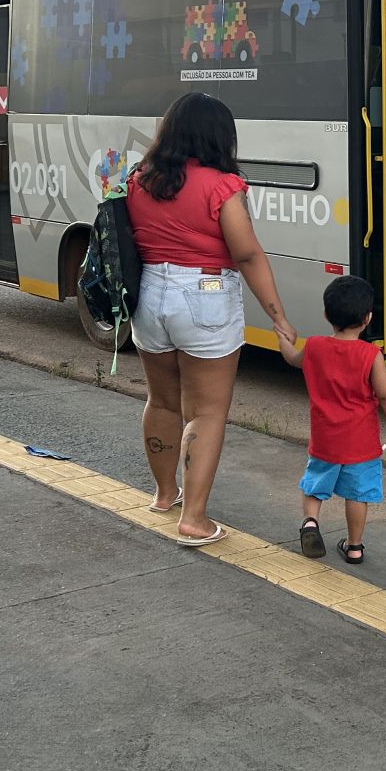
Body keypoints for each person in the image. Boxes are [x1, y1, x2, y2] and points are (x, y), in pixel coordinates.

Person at [126, 92, 295, 546]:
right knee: (207, 411)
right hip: (203, 294)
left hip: (150, 296)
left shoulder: (140, 179)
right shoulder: (222, 186)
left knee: (161, 401)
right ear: (220, 135)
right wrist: (279, 319)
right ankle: (195, 520)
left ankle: (165, 495)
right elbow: (246, 254)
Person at [275, 275, 386, 565]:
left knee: (315, 484)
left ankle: (310, 522)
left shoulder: (314, 347)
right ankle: (355, 546)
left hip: (325, 438)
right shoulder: (371, 355)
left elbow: (292, 359)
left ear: (326, 315)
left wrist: (283, 340)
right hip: (361, 442)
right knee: (357, 494)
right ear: (367, 318)